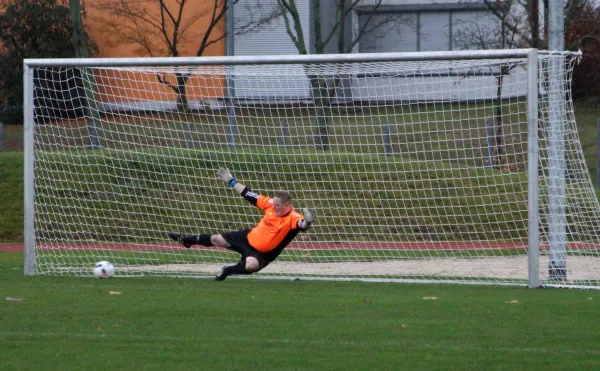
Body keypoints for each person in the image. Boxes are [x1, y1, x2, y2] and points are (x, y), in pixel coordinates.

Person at [168, 168, 315, 281]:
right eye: (273, 203)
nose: (273, 206)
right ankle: (185, 240)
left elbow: (302, 225)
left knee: (251, 265)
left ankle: (227, 270)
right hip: (248, 238)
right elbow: (248, 194)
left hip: (262, 253)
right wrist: (231, 180)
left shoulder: (293, 218)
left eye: (277, 205)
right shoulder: (270, 204)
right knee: (216, 239)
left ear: (287, 205)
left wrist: (308, 221)